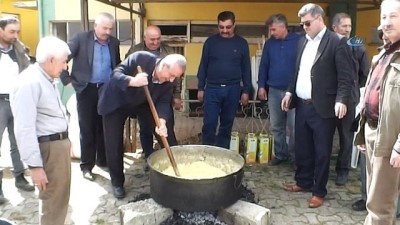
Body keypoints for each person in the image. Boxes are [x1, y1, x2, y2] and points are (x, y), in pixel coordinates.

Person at [281, 3, 352, 208]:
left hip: (324, 106)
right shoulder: (303, 42)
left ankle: (319, 191)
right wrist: (289, 92)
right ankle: (303, 182)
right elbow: (297, 71)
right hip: (302, 105)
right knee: (302, 147)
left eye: (307, 23)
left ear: (320, 19)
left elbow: (345, 77)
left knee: (322, 151)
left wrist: (341, 100)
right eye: (302, 24)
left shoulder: (337, 42)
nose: (304, 27)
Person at [98, 51, 186, 199]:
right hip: (117, 101)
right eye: (170, 75)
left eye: (174, 77)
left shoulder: (169, 81)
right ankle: (117, 182)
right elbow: (116, 74)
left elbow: (164, 102)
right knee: (114, 143)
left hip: (142, 102)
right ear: (163, 65)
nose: (171, 80)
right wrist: (132, 81)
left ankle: (176, 171)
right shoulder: (141, 58)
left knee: (165, 132)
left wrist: (162, 122)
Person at [11, 36, 71, 225]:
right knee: (52, 202)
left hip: (57, 147)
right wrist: (35, 167)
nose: (65, 67)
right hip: (48, 149)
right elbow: (24, 128)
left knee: (60, 198)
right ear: (51, 60)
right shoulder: (29, 82)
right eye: (63, 62)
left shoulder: (46, 79)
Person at [60, 12, 121, 181]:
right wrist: (66, 79)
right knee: (87, 128)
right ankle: (86, 166)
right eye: (104, 28)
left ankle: (103, 160)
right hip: (86, 90)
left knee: (105, 126)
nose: (107, 31)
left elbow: (117, 63)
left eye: (110, 28)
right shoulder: (81, 39)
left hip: (106, 90)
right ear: (95, 26)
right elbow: (63, 57)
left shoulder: (114, 42)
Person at [354, 0, 400, 223]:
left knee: (380, 206)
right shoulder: (384, 53)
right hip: (374, 133)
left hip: (392, 141)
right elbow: (371, 95)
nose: (387, 23)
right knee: (373, 199)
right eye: (383, 17)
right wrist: (363, 133)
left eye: (393, 16)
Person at [197, 11, 251, 148]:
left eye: (228, 27)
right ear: (218, 25)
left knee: (227, 124)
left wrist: (246, 90)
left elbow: (246, 69)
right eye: (221, 27)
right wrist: (200, 87)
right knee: (209, 123)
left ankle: (222, 153)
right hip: (212, 88)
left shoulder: (242, 43)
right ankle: (207, 152)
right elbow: (203, 65)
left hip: (233, 88)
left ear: (234, 25)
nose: (225, 30)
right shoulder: (210, 42)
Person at [125, 25, 180, 158]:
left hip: (163, 95)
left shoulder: (168, 51)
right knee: (145, 128)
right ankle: (148, 155)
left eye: (158, 39)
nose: (155, 42)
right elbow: (126, 71)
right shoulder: (135, 51)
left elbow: (176, 75)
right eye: (152, 39)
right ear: (145, 38)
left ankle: (169, 153)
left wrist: (177, 94)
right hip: (143, 96)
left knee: (165, 125)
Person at [331, 12, 370, 186]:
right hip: (328, 98)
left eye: (349, 26)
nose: (347, 29)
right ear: (334, 27)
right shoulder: (328, 45)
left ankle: (343, 170)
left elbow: (365, 74)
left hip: (349, 99)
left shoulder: (358, 46)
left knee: (346, 137)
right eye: (343, 26)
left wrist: (352, 88)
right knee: (324, 135)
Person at [0, 16, 34, 204]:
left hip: (17, 101)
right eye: (11, 31)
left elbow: (27, 70)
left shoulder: (19, 50)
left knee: (18, 142)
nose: (15, 35)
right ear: (1, 30)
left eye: (17, 31)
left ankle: (20, 177)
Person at [257, 13, 299, 166]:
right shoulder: (269, 44)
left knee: (294, 126)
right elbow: (264, 66)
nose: (272, 33)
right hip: (274, 90)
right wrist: (262, 86)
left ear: (283, 27)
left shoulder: (299, 41)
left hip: (294, 91)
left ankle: (296, 157)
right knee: (276, 126)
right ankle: (281, 154)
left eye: (274, 29)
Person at [352, 29, 386, 212]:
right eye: (382, 34)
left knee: (388, 171)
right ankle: (367, 200)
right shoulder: (379, 57)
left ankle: (390, 207)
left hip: (391, 127)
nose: (385, 36)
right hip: (370, 122)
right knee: (367, 166)